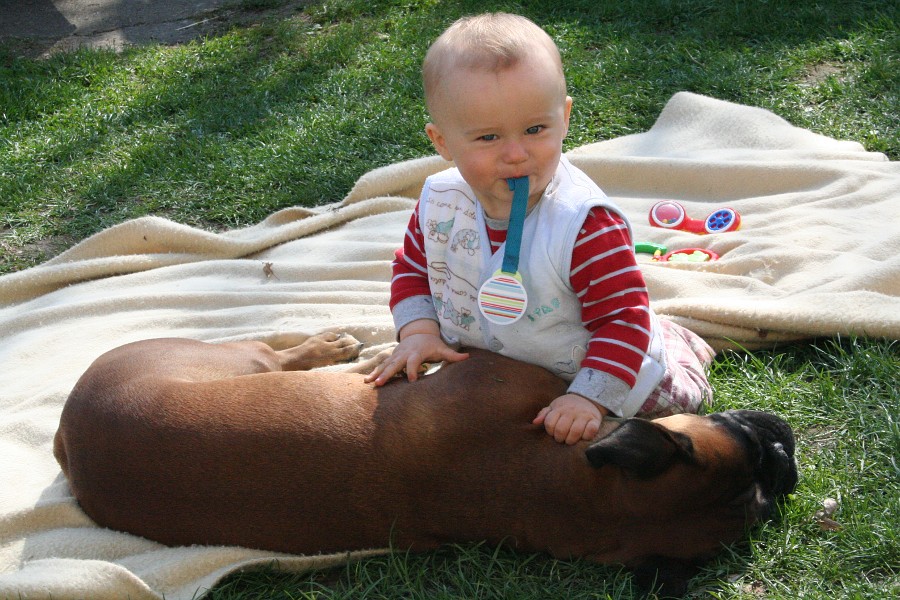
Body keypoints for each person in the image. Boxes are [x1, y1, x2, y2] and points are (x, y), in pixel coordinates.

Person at [366, 12, 714, 445]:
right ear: (442, 143)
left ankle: (683, 346)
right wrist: (419, 333)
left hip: (594, 370)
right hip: (496, 368)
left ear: (564, 118)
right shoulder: (438, 203)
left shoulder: (584, 225)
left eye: (535, 129)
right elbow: (412, 270)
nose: (516, 154)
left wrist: (590, 399)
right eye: (488, 138)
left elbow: (622, 321)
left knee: (675, 401)